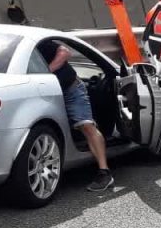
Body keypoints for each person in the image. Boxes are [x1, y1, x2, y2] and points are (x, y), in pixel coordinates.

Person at [34, 38, 114, 193]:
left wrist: (47, 72)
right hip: (46, 90)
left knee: (86, 125)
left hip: (71, 89)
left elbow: (65, 52)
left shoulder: (39, 42)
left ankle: (104, 172)